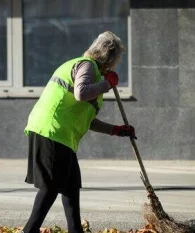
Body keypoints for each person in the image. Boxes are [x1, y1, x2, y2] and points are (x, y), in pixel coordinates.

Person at [22, 31, 137, 233]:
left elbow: (87, 120)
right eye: (116, 59)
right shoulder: (87, 66)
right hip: (52, 131)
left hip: (62, 136)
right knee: (50, 188)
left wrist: (116, 130)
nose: (116, 64)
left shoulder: (94, 73)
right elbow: (81, 93)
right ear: (109, 57)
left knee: (71, 188)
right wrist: (107, 84)